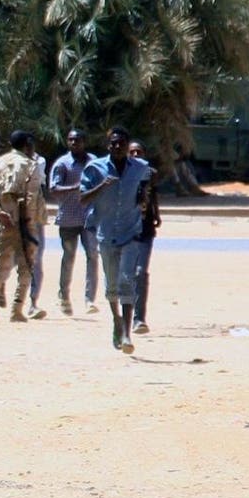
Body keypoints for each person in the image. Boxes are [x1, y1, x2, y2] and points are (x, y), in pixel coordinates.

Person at [79, 126, 153, 354]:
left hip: (131, 233)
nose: (117, 146)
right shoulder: (95, 168)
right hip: (106, 233)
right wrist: (102, 186)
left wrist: (143, 197)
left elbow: (150, 178)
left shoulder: (140, 167)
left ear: (128, 145)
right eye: (113, 143)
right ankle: (116, 320)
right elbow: (82, 199)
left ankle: (127, 334)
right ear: (108, 145)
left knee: (126, 281)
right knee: (112, 285)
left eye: (121, 143)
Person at [0, 130, 47, 323]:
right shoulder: (30, 165)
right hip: (26, 223)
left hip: (5, 221)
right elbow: (31, 197)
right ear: (27, 145)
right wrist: (30, 222)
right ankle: (16, 311)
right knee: (26, 267)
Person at [48, 128, 100, 316]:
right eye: (70, 140)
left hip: (89, 218)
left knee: (93, 256)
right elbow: (54, 189)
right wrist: (75, 188)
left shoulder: (93, 162)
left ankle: (90, 300)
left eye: (77, 140)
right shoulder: (62, 164)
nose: (73, 143)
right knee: (69, 257)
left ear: (84, 141)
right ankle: (64, 296)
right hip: (68, 218)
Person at [128, 140, 161, 335]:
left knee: (140, 272)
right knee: (126, 275)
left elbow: (153, 195)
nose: (135, 155)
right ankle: (124, 316)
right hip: (125, 231)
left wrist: (156, 214)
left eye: (139, 152)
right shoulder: (122, 173)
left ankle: (139, 319)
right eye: (132, 152)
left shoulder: (150, 174)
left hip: (145, 231)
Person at [27, 150, 48, 318]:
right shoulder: (8, 163)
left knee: (36, 259)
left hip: (35, 216)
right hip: (16, 217)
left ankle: (33, 302)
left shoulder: (39, 161)